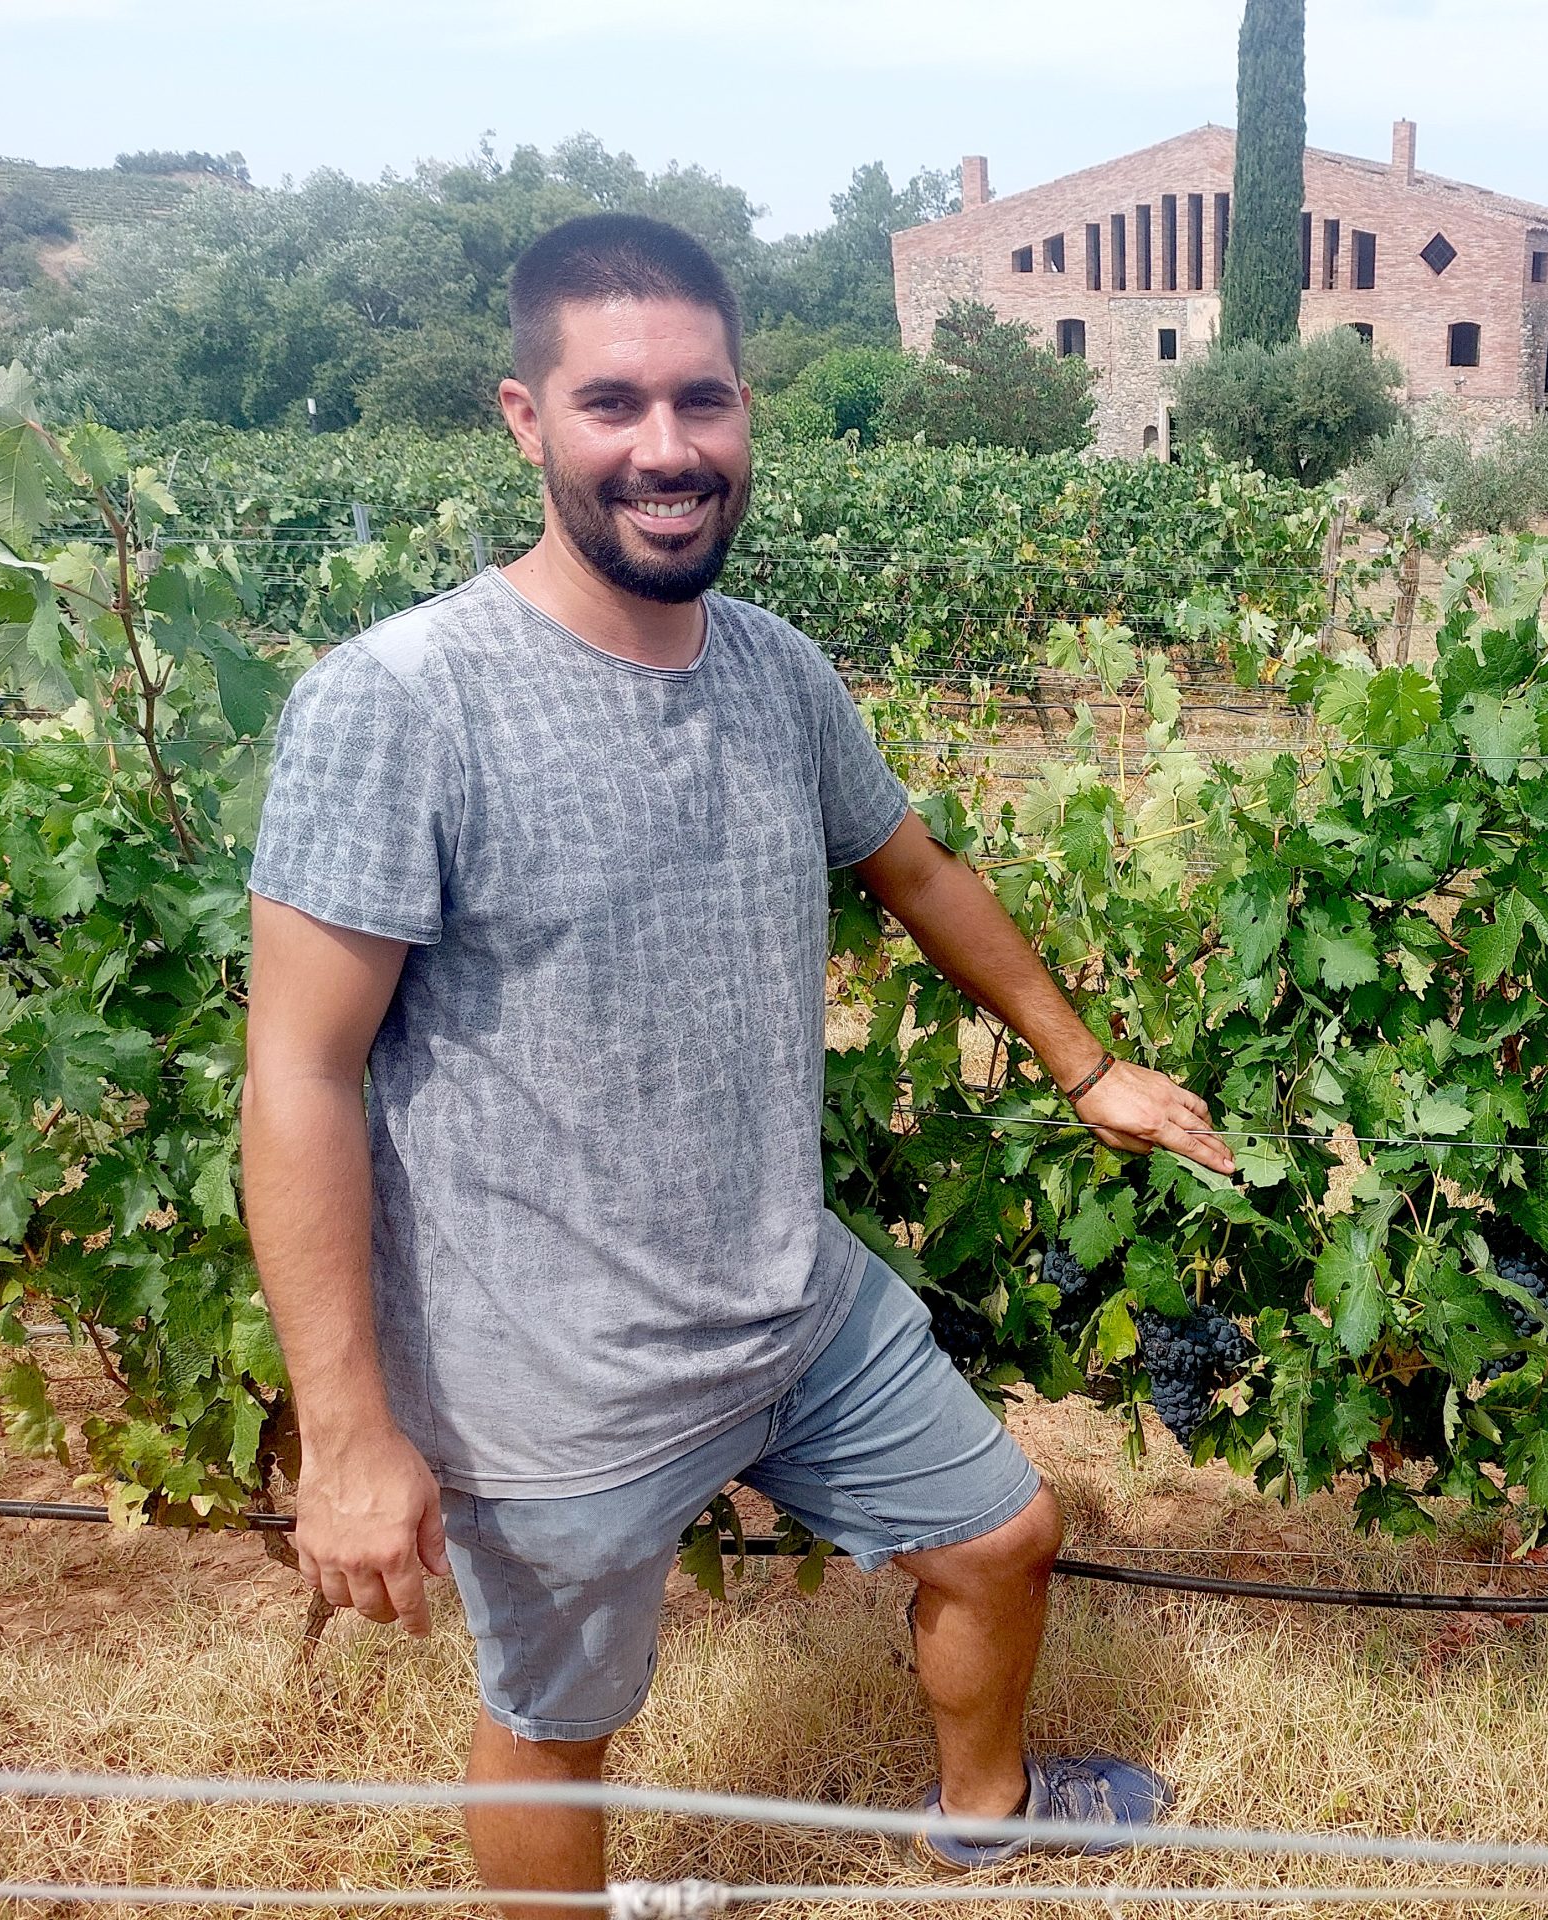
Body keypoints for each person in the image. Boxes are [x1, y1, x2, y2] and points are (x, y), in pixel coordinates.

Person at [238, 213, 1236, 1904]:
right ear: (522, 416)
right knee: (557, 1725)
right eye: (613, 402)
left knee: (1000, 1534)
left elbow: (912, 870)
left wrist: (1087, 1068)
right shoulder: (402, 699)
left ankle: (982, 1824)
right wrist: (345, 1432)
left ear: (745, 413)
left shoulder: (775, 671)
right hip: (547, 1377)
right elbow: (299, 1076)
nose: (667, 447)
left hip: (787, 1295)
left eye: (701, 401)